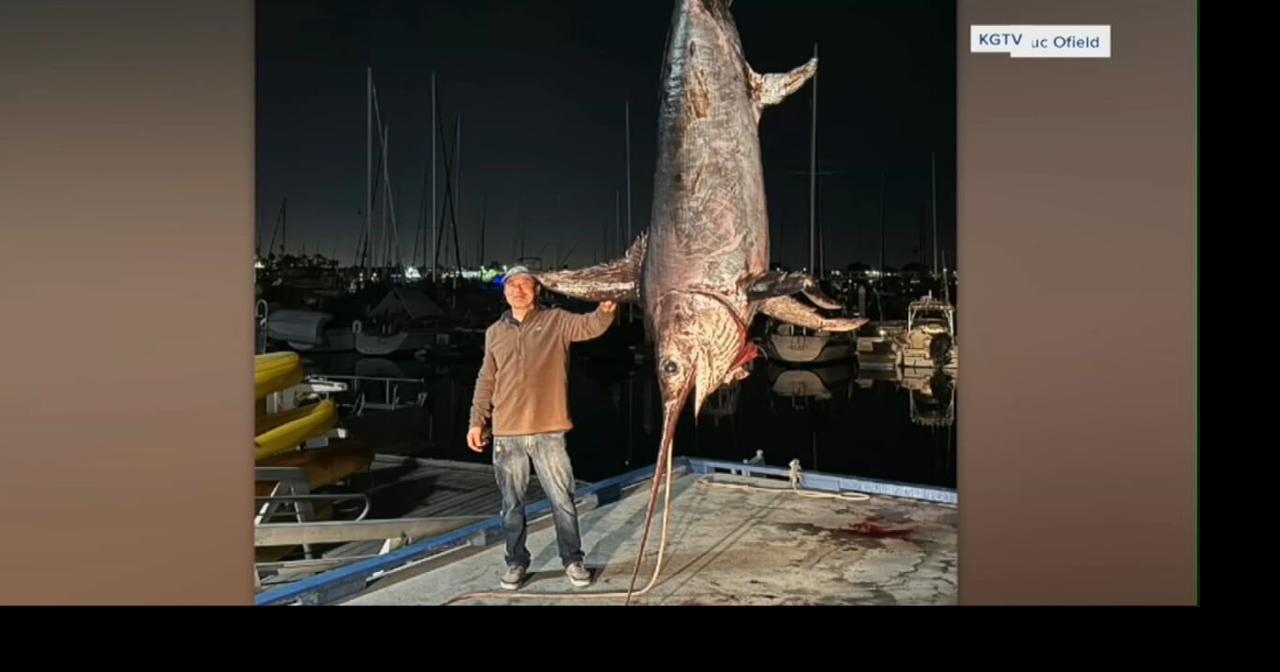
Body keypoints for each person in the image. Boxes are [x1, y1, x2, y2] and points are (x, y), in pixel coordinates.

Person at [467, 265, 617, 590]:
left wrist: (604, 310)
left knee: (562, 500)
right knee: (511, 505)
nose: (518, 289)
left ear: (536, 290)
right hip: (507, 434)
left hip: (549, 431)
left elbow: (589, 326)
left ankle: (572, 559)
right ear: (505, 291)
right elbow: (486, 379)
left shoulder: (556, 320)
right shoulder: (495, 331)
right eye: (512, 284)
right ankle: (516, 562)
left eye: (525, 284)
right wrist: (477, 421)